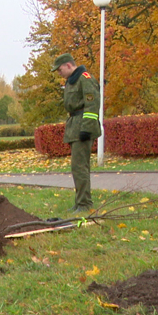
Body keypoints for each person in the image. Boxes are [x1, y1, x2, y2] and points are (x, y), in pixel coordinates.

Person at [51, 53, 102, 213]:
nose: (59, 74)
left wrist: (86, 128)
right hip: (75, 126)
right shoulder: (72, 81)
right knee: (78, 167)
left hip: (82, 127)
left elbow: (92, 105)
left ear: (68, 65)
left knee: (80, 167)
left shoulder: (84, 79)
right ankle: (81, 202)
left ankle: (84, 204)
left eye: (60, 70)